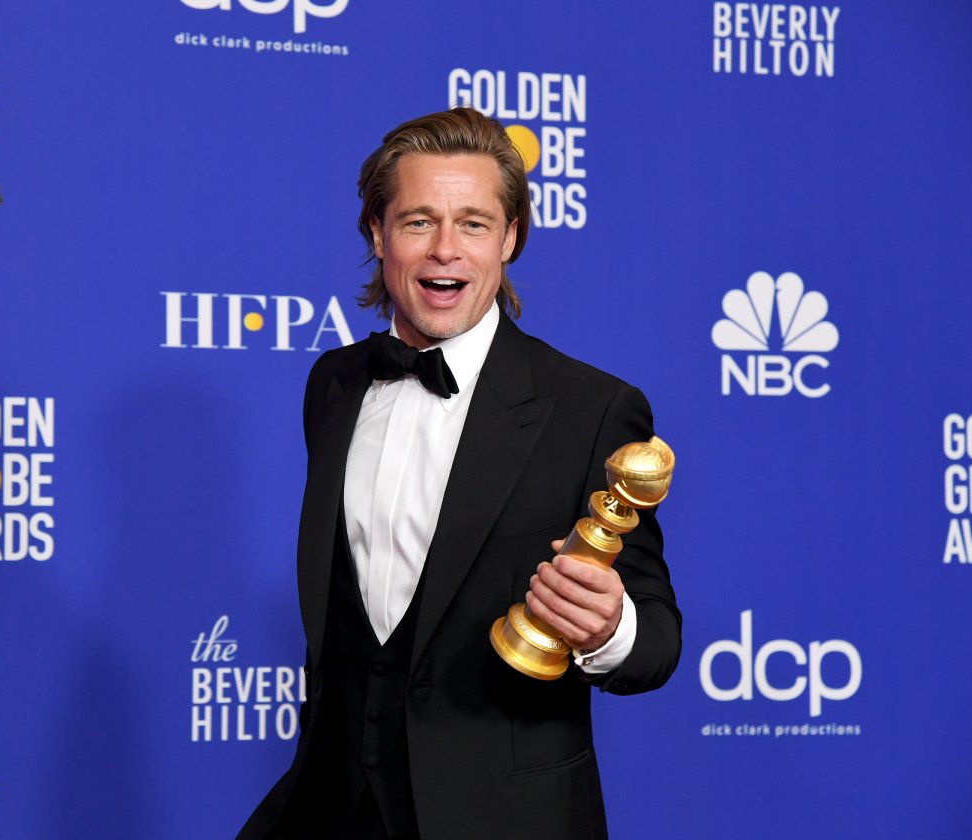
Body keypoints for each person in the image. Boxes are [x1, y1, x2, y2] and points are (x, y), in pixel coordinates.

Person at [238, 107, 681, 840]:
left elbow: (657, 642)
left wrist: (609, 626)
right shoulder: (336, 385)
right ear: (378, 234)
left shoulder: (591, 410)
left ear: (509, 239)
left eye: (474, 224)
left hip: (504, 819)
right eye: (418, 222)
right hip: (332, 810)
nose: (446, 250)